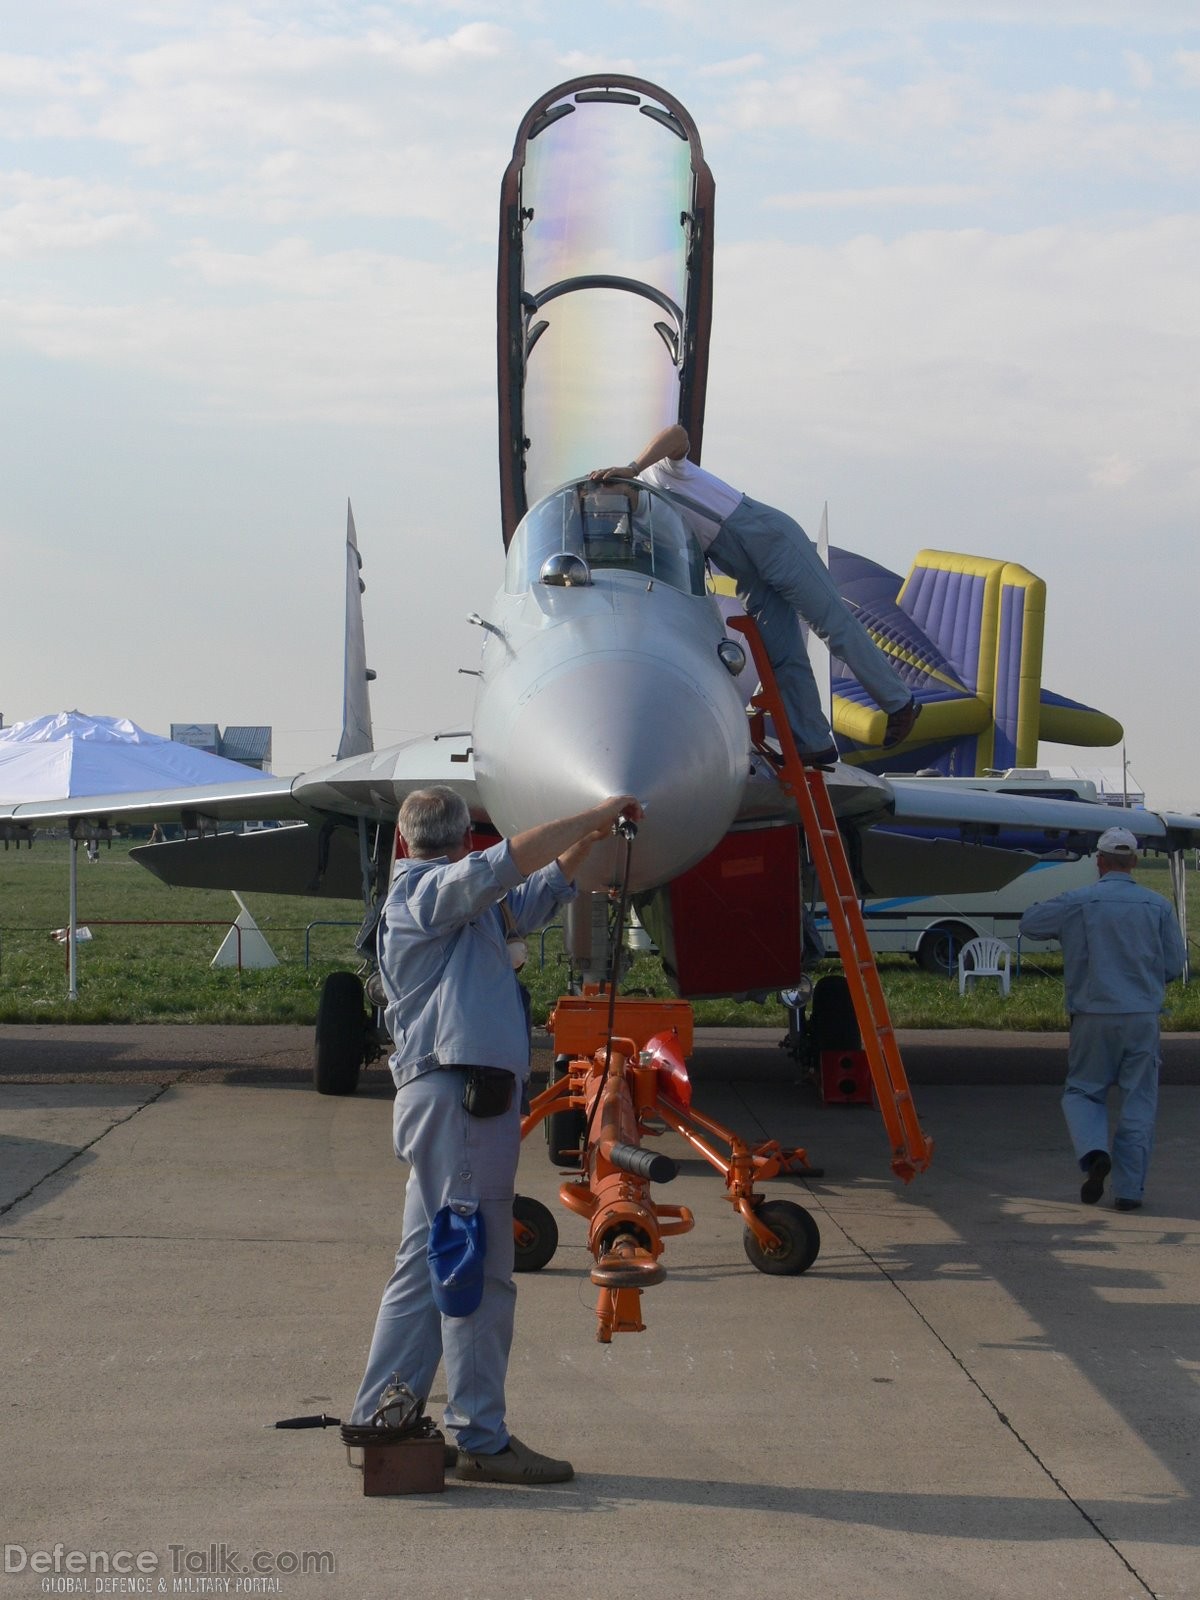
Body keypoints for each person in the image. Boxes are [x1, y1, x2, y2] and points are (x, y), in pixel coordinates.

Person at [350, 784, 643, 1484]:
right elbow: (505, 866)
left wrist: (588, 847)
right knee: (477, 1267)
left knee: (427, 1259)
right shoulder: (426, 896)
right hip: (460, 1101)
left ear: (401, 837)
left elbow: (535, 888)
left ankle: (382, 1413)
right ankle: (481, 1434)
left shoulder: (464, 905)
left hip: (455, 1102)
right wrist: (595, 815)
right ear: (462, 841)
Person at [590, 426, 919, 766]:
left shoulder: (659, 472)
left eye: (610, 490)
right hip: (740, 567)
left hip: (767, 537)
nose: (610, 504)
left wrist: (632, 467)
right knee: (779, 653)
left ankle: (899, 702)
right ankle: (813, 742)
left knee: (830, 623)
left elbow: (677, 434)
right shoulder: (642, 526)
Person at [1018, 826, 1186, 1211]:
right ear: (1136, 862)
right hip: (1143, 1016)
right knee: (1139, 1100)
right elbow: (1174, 966)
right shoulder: (1158, 905)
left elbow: (1030, 924)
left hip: (1092, 1013)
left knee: (1082, 1090)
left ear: (1100, 862)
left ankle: (1095, 1152)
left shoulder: (1079, 901)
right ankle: (1129, 1192)